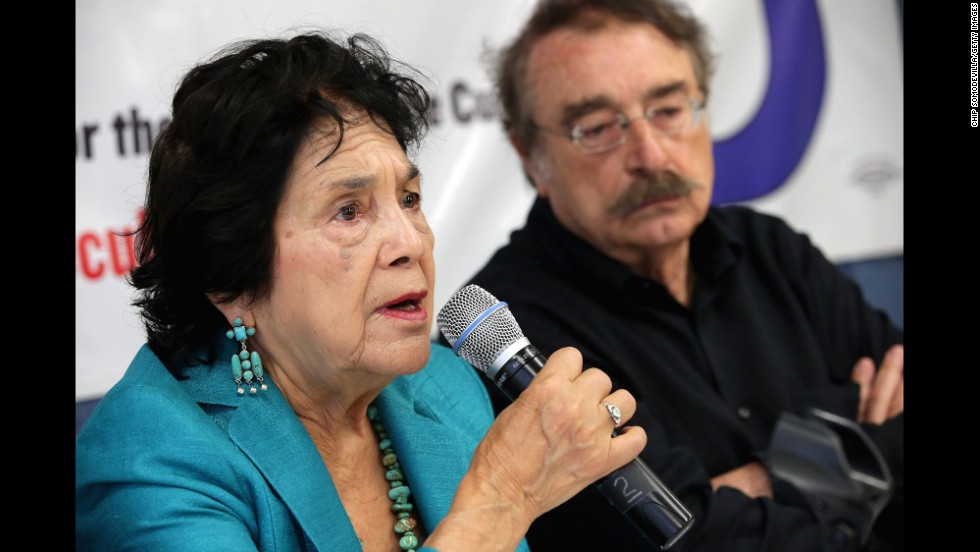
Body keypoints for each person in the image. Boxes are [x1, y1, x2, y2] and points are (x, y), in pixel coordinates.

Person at [74, 30, 649, 552]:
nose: (410, 243)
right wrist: (501, 500)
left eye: (409, 199)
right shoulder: (147, 461)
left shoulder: (445, 388)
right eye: (349, 212)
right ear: (231, 276)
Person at [449, 0, 904, 550]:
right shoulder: (509, 335)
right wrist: (860, 452)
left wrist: (750, 486)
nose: (650, 154)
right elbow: (680, 538)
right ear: (530, 156)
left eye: (668, 110)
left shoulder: (774, 251)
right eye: (596, 128)